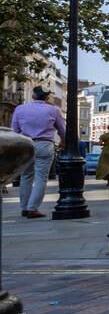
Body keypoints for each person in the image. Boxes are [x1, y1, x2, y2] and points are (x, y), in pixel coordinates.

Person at [9, 86, 66, 219]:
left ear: (33, 95)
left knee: (26, 176)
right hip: (44, 144)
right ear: (47, 97)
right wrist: (63, 141)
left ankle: (24, 208)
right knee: (41, 177)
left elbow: (15, 130)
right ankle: (32, 208)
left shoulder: (20, 109)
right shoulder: (53, 110)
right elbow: (62, 130)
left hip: (26, 144)